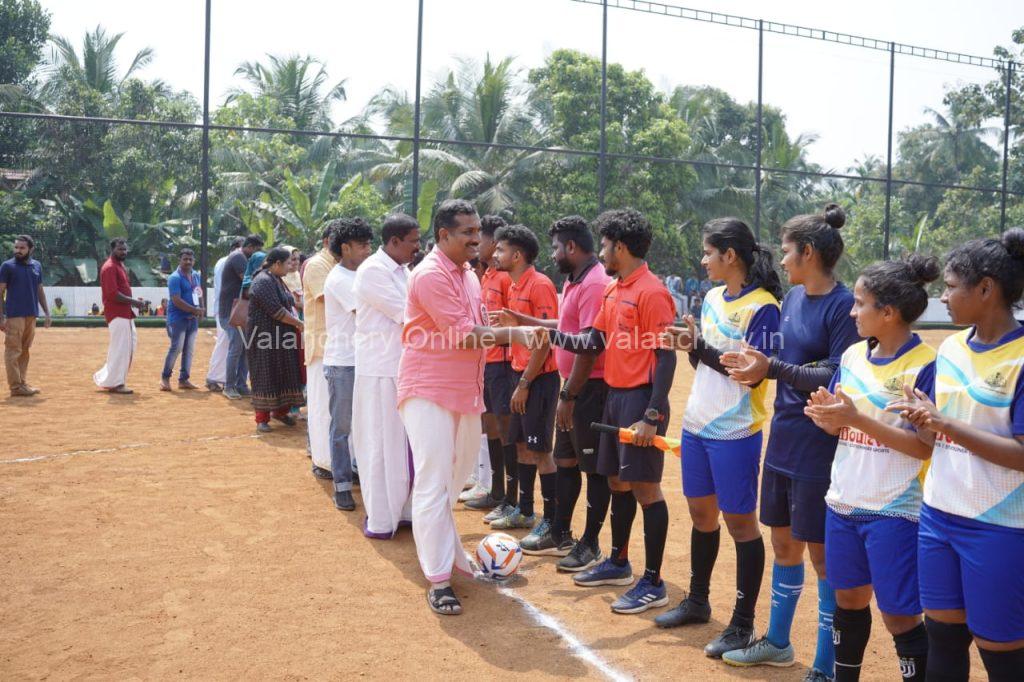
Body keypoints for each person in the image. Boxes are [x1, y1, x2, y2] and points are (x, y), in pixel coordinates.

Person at [720, 204, 859, 682]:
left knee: (821, 556)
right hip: (781, 438)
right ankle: (778, 643)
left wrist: (772, 369)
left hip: (818, 446)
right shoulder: (794, 299)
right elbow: (781, 359)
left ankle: (823, 666)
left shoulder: (843, 306)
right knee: (783, 544)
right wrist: (753, 363)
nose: (781, 262)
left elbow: (835, 373)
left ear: (809, 252)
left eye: (787, 253)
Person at [889, 230, 1024, 682]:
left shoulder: (1022, 356)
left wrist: (944, 423)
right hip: (939, 517)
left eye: (951, 286)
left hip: (1000, 528)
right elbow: (930, 436)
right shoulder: (948, 349)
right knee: (943, 641)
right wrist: (922, 422)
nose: (942, 297)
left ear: (986, 289)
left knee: (1001, 654)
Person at [398, 199, 542, 615]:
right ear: (443, 235)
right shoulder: (429, 275)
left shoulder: (468, 275)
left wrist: (510, 332)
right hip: (428, 390)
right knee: (433, 482)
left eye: (477, 231)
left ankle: (454, 559)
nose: (476, 239)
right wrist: (516, 336)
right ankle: (438, 578)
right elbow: (463, 336)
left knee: (453, 480)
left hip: (463, 391)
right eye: (467, 232)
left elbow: (477, 329)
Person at [801, 256, 940, 682]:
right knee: (848, 600)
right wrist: (827, 418)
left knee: (899, 616)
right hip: (844, 501)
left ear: (888, 312)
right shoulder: (852, 355)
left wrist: (856, 419)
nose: (851, 311)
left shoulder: (925, 365)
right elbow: (842, 425)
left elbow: (923, 447)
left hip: (894, 510)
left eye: (860, 303)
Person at [657, 218, 781, 659]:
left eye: (709, 252)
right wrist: (693, 346)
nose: (703, 260)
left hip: (735, 430)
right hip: (697, 423)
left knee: (740, 524)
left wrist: (697, 346)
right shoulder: (711, 298)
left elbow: (748, 376)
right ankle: (697, 600)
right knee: (700, 514)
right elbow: (706, 364)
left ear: (731, 256)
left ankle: (743, 624)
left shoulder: (764, 307)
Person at [545, 208, 677, 615]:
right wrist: (546, 333)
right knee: (618, 483)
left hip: (641, 401)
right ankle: (619, 562)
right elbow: (592, 343)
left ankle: (653, 582)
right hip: (615, 398)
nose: (600, 252)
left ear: (620, 246)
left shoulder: (652, 292)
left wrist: (652, 416)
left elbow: (666, 357)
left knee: (645, 490)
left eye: (604, 244)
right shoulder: (614, 289)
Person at [501, 215, 612, 569]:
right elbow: (563, 328)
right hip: (574, 387)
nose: (552, 254)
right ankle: (560, 531)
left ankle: (590, 543)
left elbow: (590, 346)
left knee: (593, 468)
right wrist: (525, 322)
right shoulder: (575, 279)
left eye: (555, 247)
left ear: (572, 248)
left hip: (589, 388)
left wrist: (569, 396)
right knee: (566, 461)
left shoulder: (595, 283)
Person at [487, 225, 560, 549]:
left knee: (542, 451)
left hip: (538, 380)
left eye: (500, 250)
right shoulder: (516, 285)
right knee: (520, 445)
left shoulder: (540, 285)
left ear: (517, 255)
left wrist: (526, 383)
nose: (495, 255)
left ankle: (552, 521)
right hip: (522, 377)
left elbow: (544, 340)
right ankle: (526, 511)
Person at [353, 213, 422, 537]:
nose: (417, 247)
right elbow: (409, 315)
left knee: (406, 445)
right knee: (381, 445)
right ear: (394, 241)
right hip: (379, 370)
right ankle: (382, 518)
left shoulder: (405, 270)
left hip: (404, 367)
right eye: (413, 241)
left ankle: (405, 511)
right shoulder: (372, 272)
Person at [465, 215, 520, 518]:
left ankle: (511, 497)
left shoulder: (503, 278)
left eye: (481, 240)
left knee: (505, 429)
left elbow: (510, 324)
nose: (478, 245)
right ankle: (496, 490)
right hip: (487, 361)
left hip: (503, 363)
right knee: (492, 427)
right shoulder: (484, 276)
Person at [322, 220, 374, 512]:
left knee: (365, 426)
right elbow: (366, 312)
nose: (368, 250)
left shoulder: (361, 275)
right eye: (363, 245)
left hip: (364, 361)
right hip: (343, 363)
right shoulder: (339, 278)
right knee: (341, 428)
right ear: (345, 248)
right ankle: (342, 486)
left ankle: (359, 477)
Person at [246, 247, 305, 433]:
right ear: (277, 263)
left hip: (282, 338)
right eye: (288, 263)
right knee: (265, 375)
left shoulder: (277, 279)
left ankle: (280, 412)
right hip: (264, 338)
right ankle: (261, 418)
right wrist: (299, 323)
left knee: (286, 373)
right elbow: (277, 311)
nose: (290, 266)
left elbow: (289, 303)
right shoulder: (263, 281)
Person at [303, 226, 340, 480]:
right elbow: (330, 298)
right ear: (328, 241)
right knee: (321, 407)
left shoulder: (338, 265)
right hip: (321, 346)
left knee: (338, 409)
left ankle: (337, 459)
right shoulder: (318, 265)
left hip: (339, 346)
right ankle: (323, 461)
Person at [93, 239, 145, 394]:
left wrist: (132, 303)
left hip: (124, 313)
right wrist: (134, 302)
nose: (123, 252)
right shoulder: (109, 267)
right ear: (112, 249)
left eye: (125, 249)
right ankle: (116, 383)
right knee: (121, 349)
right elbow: (112, 293)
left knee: (125, 347)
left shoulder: (119, 266)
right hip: (117, 313)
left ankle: (109, 378)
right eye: (120, 249)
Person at [0, 235, 50, 396]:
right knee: (13, 350)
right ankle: (15, 387)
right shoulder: (7, 266)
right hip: (14, 315)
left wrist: (47, 313)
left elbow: (39, 290)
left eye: (22, 248)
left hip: (31, 314)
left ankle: (22, 383)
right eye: (16, 247)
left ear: (30, 249)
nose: (18, 251)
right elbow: (0, 292)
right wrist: (2, 316)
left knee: (25, 350)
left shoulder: (37, 266)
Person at [219, 235, 263, 400]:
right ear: (250, 246)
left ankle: (241, 385)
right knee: (237, 348)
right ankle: (229, 386)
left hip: (238, 311)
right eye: (257, 250)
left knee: (244, 349)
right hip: (231, 313)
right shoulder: (239, 257)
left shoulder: (241, 256)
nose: (257, 254)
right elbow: (249, 282)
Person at [160, 249, 204, 392]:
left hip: (192, 319)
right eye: (185, 259)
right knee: (176, 349)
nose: (188, 262)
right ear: (180, 260)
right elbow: (176, 300)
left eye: (190, 259)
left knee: (189, 350)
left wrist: (201, 307)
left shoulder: (196, 275)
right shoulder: (174, 278)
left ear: (194, 261)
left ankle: (184, 380)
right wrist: (194, 310)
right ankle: (165, 378)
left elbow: (198, 292)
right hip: (177, 319)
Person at [206, 238, 245, 392]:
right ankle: (214, 377)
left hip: (226, 308)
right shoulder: (229, 261)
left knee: (228, 344)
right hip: (228, 309)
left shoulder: (223, 261)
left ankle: (221, 377)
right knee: (225, 344)